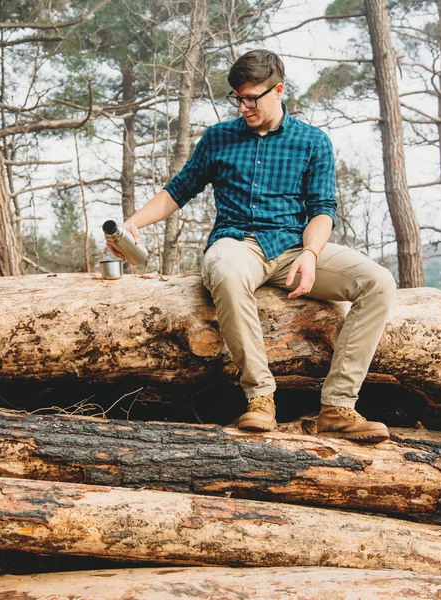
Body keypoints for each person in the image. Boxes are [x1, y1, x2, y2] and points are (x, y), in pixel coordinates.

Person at [107, 49, 396, 443]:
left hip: (295, 245)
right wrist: (132, 224)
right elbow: (179, 190)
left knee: (378, 281)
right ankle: (260, 398)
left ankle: (338, 406)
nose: (243, 107)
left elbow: (322, 210)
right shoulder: (219, 139)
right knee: (225, 271)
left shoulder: (312, 141)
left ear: (278, 90)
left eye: (251, 98)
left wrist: (311, 254)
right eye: (237, 98)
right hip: (237, 244)